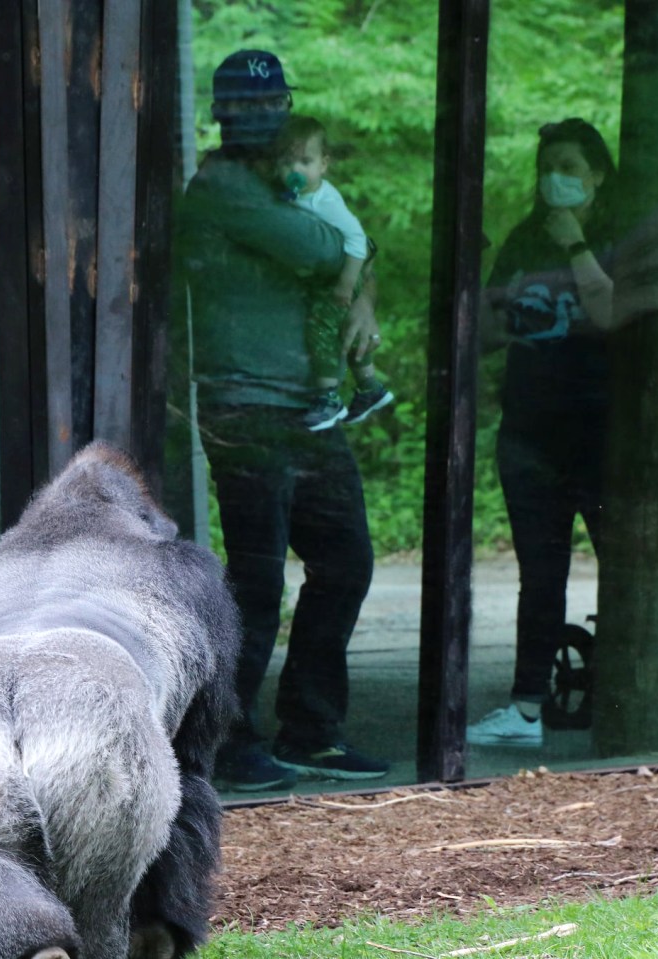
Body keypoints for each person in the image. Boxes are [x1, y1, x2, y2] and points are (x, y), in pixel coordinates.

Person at [177, 49, 390, 790]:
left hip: (309, 409)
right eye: (245, 105)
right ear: (223, 113)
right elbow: (321, 245)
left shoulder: (283, 183)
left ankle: (312, 730)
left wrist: (356, 293)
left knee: (346, 562)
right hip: (246, 409)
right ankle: (226, 743)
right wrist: (342, 268)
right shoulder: (220, 185)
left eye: (272, 104)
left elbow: (347, 254)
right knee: (258, 584)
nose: (261, 117)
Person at [467, 118, 618, 748]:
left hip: (602, 437)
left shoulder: (611, 236)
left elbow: (614, 313)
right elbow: (486, 332)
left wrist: (578, 244)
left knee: (625, 565)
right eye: (547, 167)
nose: (555, 179)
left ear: (597, 176)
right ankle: (528, 708)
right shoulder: (525, 239)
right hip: (529, 436)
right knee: (541, 574)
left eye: (570, 168)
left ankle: (619, 697)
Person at [272, 115, 395, 431]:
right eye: (287, 163)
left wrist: (347, 284)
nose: (295, 170)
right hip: (324, 279)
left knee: (321, 329)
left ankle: (328, 398)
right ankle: (370, 388)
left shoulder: (325, 200)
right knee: (346, 333)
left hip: (341, 280)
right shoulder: (295, 196)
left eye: (305, 161)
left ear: (323, 164)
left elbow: (358, 240)